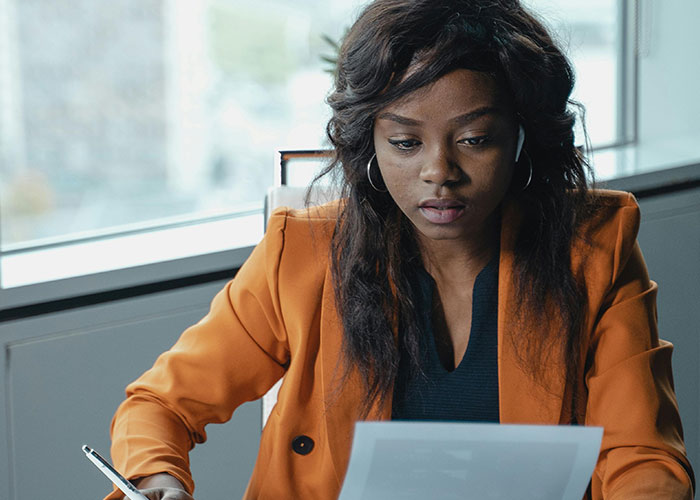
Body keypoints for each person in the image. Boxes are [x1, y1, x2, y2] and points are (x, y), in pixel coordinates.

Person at [106, 0, 695, 499]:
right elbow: (160, 404)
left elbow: (642, 457)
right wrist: (158, 477)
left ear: (522, 136)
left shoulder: (592, 251)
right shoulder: (302, 255)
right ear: (370, 142)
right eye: (406, 142)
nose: (440, 172)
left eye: (474, 139)